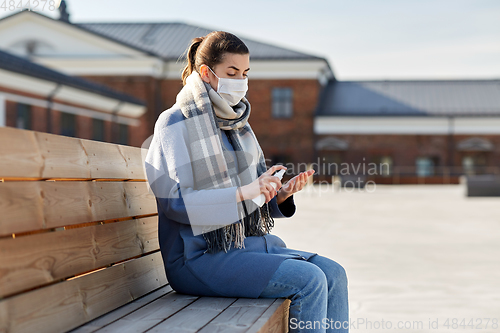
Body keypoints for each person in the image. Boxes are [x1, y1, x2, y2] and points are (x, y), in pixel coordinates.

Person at [144, 30, 348, 333]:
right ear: (206, 73)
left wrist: (278, 196)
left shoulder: (236, 125)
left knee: (334, 273)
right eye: (232, 72)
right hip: (196, 257)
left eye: (245, 73)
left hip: (240, 246)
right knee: (310, 280)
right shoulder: (175, 122)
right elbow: (174, 204)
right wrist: (242, 193)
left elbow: (252, 199)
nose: (241, 81)